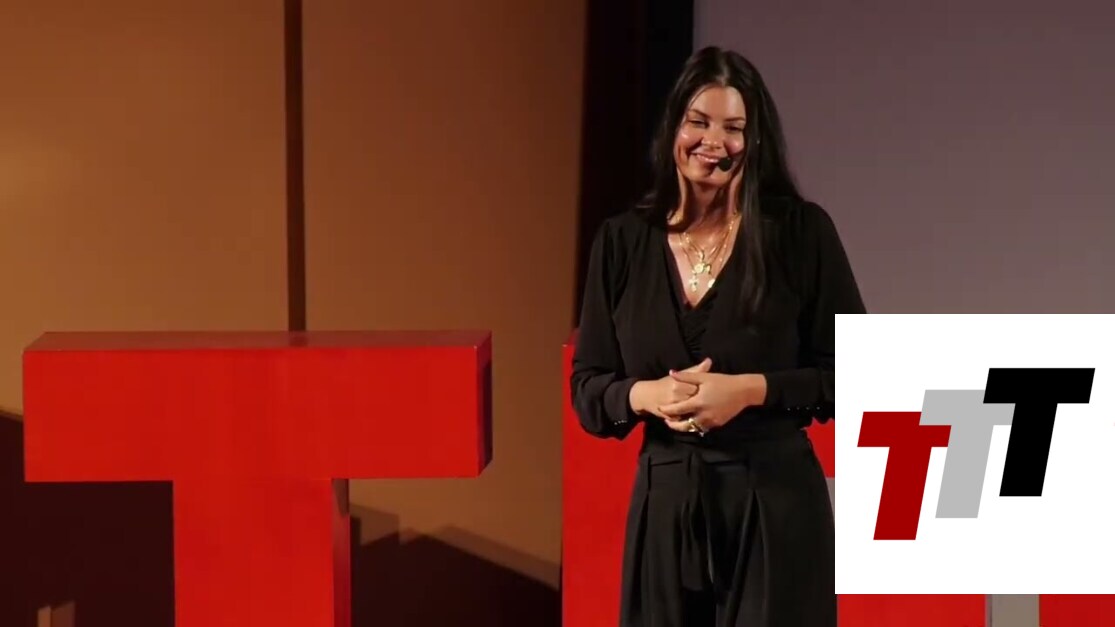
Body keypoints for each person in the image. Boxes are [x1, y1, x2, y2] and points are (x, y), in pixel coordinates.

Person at [570, 45, 866, 627]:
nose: (714, 142)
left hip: (774, 505)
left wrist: (750, 391)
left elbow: (857, 374)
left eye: (734, 128)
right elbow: (588, 389)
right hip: (665, 508)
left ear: (755, 142)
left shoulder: (800, 234)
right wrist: (646, 396)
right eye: (699, 122)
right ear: (673, 129)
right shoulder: (622, 242)